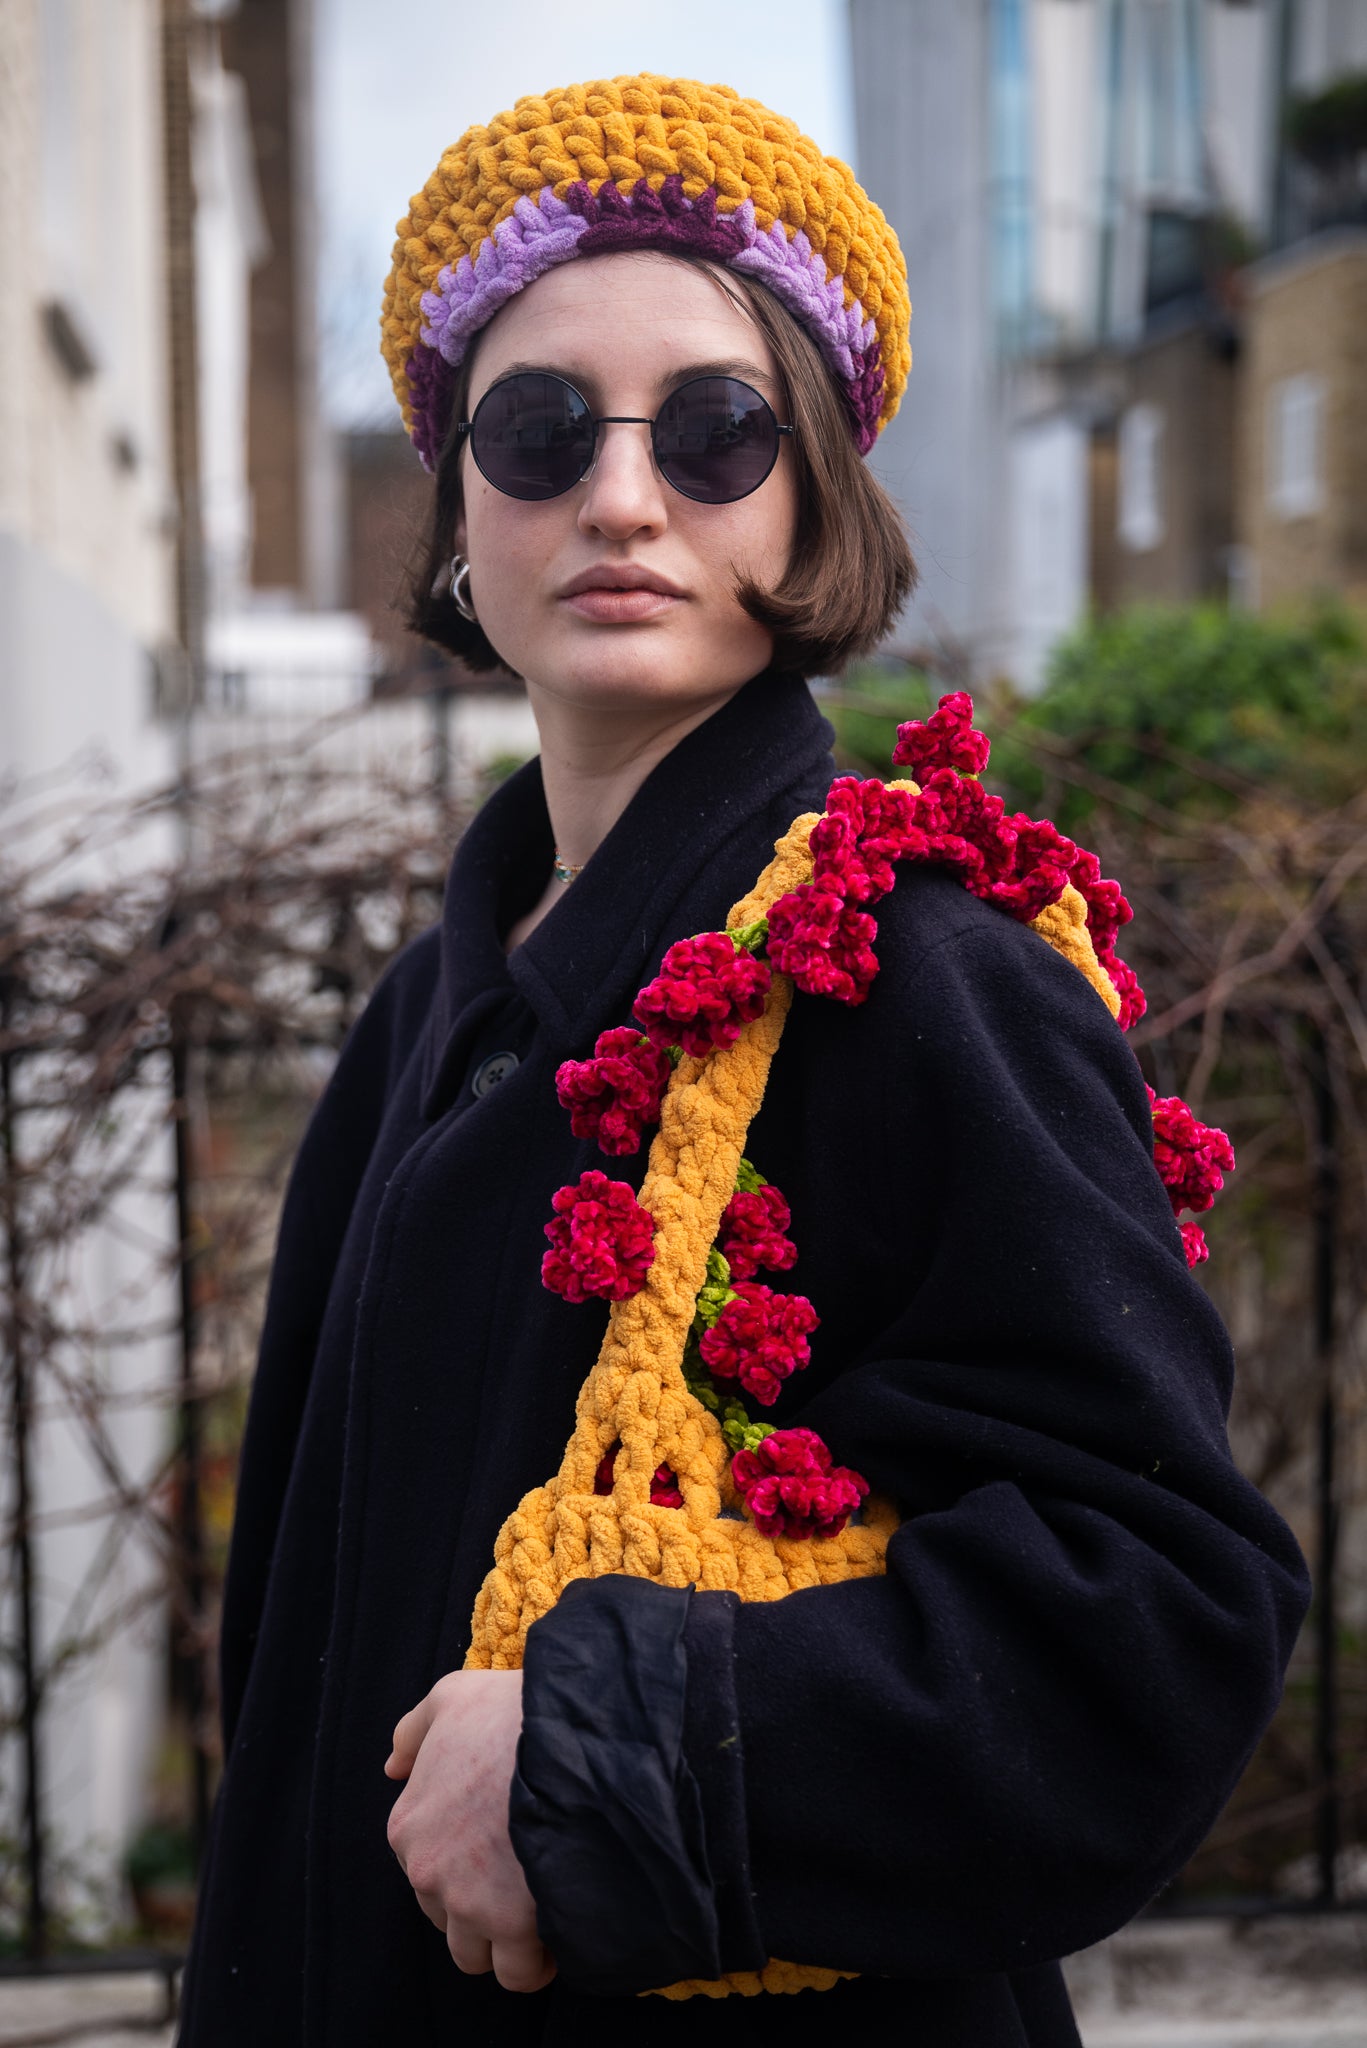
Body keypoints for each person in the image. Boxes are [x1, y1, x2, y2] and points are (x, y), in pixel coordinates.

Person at [177, 75, 1309, 2048]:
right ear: (457, 501)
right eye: (540, 429)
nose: (623, 497)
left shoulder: (918, 969)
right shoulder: (423, 1016)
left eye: (714, 430)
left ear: (810, 496)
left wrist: (614, 1757)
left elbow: (1153, 1620)